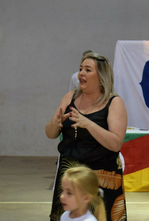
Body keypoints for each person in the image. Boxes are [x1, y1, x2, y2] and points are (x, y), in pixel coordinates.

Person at [45, 52, 128, 221]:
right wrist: (56, 123)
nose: (81, 73)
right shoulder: (70, 97)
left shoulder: (114, 102)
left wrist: (88, 124)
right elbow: (49, 133)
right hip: (70, 175)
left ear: (101, 76)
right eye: (80, 69)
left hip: (102, 177)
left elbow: (115, 143)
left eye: (87, 70)